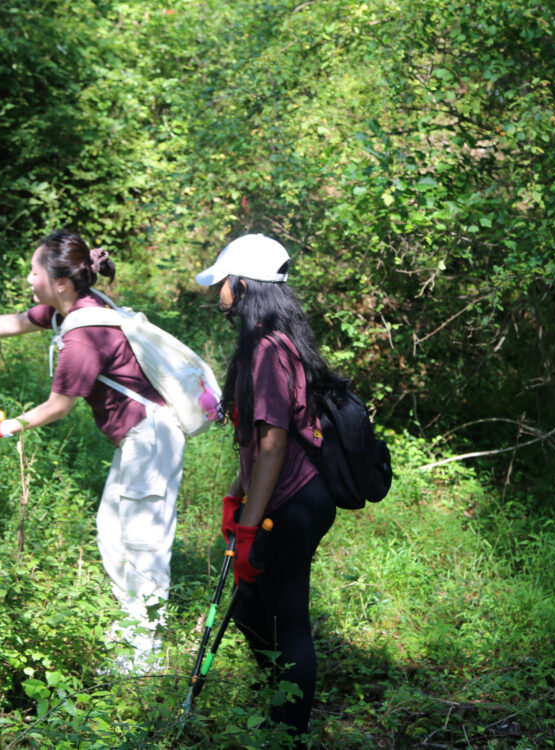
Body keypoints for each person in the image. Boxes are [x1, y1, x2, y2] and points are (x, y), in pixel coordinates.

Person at [0, 229, 186, 671]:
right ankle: (130, 639)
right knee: (111, 535)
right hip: (137, 439)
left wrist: (3, 427)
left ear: (62, 282)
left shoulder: (84, 337)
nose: (29, 279)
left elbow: (58, 407)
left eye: (35, 272)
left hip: (152, 438)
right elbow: (16, 320)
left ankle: (142, 664)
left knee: (142, 545)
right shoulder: (74, 308)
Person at [196, 233, 339, 744]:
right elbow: (253, 447)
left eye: (224, 282)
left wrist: (249, 528)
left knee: (287, 617)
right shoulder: (264, 341)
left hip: (294, 503)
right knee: (251, 606)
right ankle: (283, 698)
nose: (219, 293)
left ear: (243, 284)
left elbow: (275, 446)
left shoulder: (267, 350)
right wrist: (235, 499)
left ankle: (289, 732)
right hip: (278, 498)